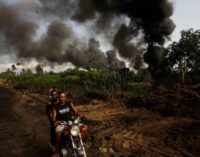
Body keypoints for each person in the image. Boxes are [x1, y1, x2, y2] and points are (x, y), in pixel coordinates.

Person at [52, 91, 87, 157]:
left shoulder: (69, 103)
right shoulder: (56, 107)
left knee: (85, 128)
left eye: (63, 97)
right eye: (60, 97)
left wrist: (80, 115)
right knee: (58, 133)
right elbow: (53, 117)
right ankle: (57, 151)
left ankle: (80, 141)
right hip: (62, 124)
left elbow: (75, 111)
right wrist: (56, 121)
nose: (62, 98)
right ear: (58, 98)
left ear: (65, 97)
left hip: (72, 122)